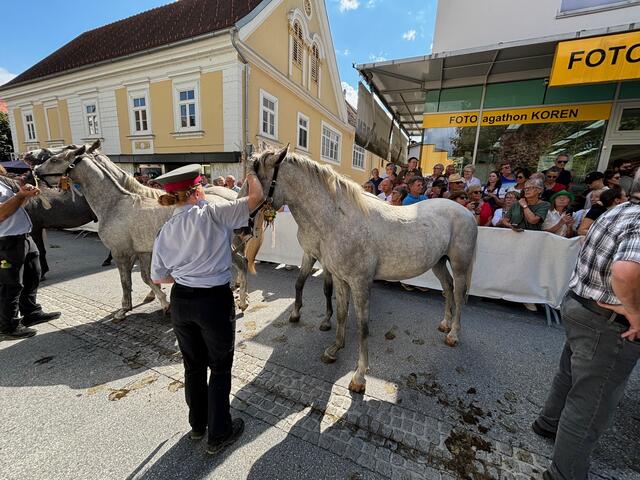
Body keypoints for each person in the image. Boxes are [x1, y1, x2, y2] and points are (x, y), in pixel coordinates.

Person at [151, 163, 264, 455]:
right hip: (213, 300)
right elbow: (256, 200)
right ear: (198, 190)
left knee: (193, 366)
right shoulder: (213, 213)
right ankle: (219, 434)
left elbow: (160, 278)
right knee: (220, 367)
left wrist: (187, 274)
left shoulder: (165, 230)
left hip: (181, 301)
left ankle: (198, 425)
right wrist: (252, 173)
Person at [534, 169, 640, 480]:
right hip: (607, 322)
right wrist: (634, 312)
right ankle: (566, 473)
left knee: (569, 374)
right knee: (591, 402)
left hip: (582, 304)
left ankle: (548, 423)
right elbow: (625, 272)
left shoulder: (620, 210)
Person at [0, 167, 61, 340]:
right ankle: (7, 327)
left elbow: (18, 207)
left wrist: (25, 195)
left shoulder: (2, 182)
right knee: (10, 285)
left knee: (32, 275)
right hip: (6, 241)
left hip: (23, 236)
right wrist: (20, 196)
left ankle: (31, 312)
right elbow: (1, 213)